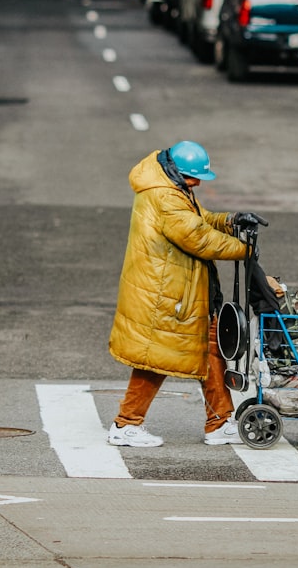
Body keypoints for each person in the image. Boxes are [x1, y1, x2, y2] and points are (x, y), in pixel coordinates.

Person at [107, 140, 267, 448]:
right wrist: (242, 249)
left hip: (182, 292)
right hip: (165, 295)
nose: (197, 184)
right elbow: (198, 238)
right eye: (194, 178)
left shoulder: (172, 186)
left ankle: (219, 422)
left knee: (210, 351)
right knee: (155, 361)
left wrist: (230, 220)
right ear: (178, 173)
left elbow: (200, 219)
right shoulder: (165, 196)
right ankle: (125, 424)